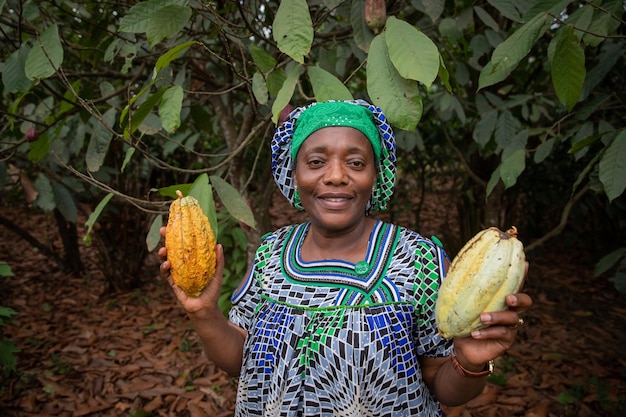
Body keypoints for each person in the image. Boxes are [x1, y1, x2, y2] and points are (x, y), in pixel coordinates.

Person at [158, 99, 533, 416]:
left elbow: (444, 388)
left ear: (375, 175)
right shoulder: (271, 252)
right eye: (316, 161)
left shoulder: (417, 259)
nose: (336, 176)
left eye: (355, 163)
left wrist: (468, 361)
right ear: (294, 174)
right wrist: (204, 314)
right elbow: (243, 362)